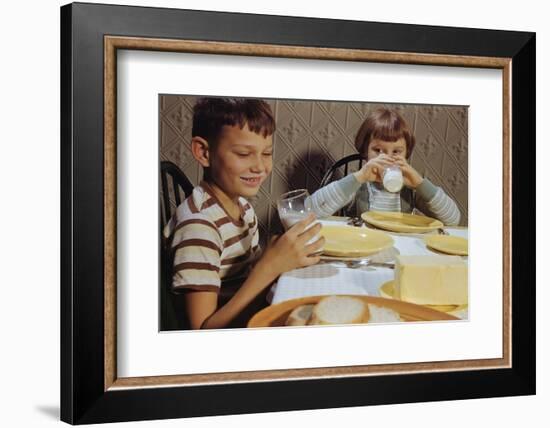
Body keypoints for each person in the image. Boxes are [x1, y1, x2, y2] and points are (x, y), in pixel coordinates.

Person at [163, 97, 324, 329]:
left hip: (252, 313)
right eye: (243, 153)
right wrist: (269, 268)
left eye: (266, 153)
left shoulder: (243, 208)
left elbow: (250, 273)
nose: (259, 166)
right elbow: (202, 333)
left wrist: (277, 255)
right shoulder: (199, 226)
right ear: (204, 152)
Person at [308, 107, 461, 225]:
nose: (386, 158)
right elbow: (311, 211)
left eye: (396, 152)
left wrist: (420, 184)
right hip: (363, 246)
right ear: (365, 152)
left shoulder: (411, 189)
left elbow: (453, 220)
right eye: (378, 151)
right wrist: (358, 177)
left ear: (406, 154)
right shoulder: (358, 185)